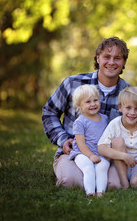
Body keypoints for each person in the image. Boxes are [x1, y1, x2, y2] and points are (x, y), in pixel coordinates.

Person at [42, 37, 130, 189]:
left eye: (117, 58)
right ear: (98, 58)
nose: (111, 62)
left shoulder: (128, 93)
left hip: (106, 156)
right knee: (71, 182)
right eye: (106, 57)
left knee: (114, 185)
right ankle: (67, 170)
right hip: (74, 153)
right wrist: (63, 139)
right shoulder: (73, 83)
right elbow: (49, 112)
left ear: (123, 62)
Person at [98, 86, 137, 188]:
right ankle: (124, 183)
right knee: (117, 141)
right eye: (128, 108)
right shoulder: (115, 124)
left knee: (136, 183)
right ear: (120, 107)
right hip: (120, 165)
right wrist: (124, 156)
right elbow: (101, 147)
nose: (132, 113)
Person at [68, 84, 110, 197]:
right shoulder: (80, 122)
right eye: (88, 102)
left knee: (103, 167)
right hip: (83, 153)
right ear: (79, 106)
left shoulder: (105, 119)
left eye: (95, 100)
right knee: (88, 167)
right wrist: (90, 156)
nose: (93, 104)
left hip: (100, 153)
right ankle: (90, 192)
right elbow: (81, 144)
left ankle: (100, 192)